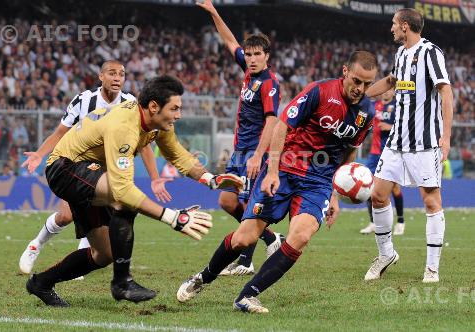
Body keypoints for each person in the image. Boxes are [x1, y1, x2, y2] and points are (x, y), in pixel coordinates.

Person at [177, 51, 378, 313]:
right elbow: (281, 125)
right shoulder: (319, 92)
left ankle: (247, 295)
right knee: (244, 238)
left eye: (367, 84)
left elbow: (349, 152)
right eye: (356, 81)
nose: (360, 89)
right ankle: (203, 277)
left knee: (301, 236)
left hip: (318, 181)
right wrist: (271, 172)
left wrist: (336, 194)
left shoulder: (366, 112)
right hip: (285, 167)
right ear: (345, 72)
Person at [26, 75, 243, 307]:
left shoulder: (157, 121)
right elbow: (122, 191)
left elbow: (177, 153)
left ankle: (41, 283)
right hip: (65, 167)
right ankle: (122, 283)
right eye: (175, 108)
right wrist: (172, 217)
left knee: (104, 255)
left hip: (92, 172)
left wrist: (211, 179)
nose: (178, 115)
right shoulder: (124, 126)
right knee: (124, 200)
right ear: (153, 107)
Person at [19, 60, 172, 275]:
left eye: (121, 74)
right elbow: (61, 133)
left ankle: (95, 262)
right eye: (112, 73)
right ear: (101, 77)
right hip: (78, 166)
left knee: (110, 209)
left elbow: (144, 143)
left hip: (110, 168)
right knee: (65, 216)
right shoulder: (84, 100)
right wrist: (39, 154)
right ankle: (36, 244)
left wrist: (155, 177)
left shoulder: (131, 103)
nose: (117, 77)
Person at [363, 8, 453, 283]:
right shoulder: (401, 54)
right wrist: (361, 94)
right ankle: (386, 253)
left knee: (430, 201)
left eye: (393, 24)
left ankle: (432, 268)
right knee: (377, 194)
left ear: (405, 26)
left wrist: (446, 136)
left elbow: (446, 91)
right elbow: (392, 81)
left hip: (425, 143)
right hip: (396, 141)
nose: (391, 28)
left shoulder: (431, 52)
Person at [198, 0, 283, 276]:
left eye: (257, 54)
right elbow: (229, 40)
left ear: (266, 56)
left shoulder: (269, 84)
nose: (251, 58)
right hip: (239, 151)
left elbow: (272, 120)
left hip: (253, 153)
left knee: (247, 206)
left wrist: (258, 156)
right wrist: (214, 12)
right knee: (227, 201)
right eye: (248, 54)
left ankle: (246, 261)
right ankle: (270, 238)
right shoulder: (248, 72)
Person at [360, 89, 405, 235]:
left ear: (393, 92)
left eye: (389, 90)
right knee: (368, 186)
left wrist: (390, 127)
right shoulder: (375, 105)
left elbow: (405, 128)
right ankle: (373, 222)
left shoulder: (398, 106)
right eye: (384, 90)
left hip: (391, 153)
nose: (385, 92)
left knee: (395, 188)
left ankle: (400, 222)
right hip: (374, 153)